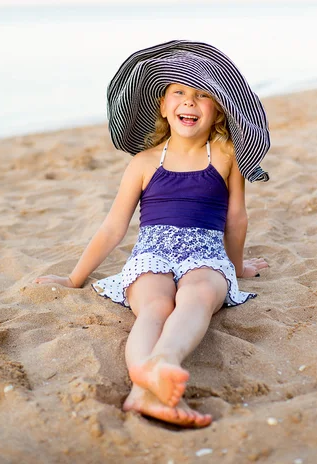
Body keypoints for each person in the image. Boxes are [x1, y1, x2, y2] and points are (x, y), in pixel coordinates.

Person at [34, 40, 270, 428]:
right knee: (155, 307)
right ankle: (149, 378)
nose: (189, 102)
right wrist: (74, 278)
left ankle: (154, 374)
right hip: (152, 253)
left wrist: (237, 265)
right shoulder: (144, 162)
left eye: (202, 95)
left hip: (205, 251)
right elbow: (114, 226)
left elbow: (236, 219)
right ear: (163, 105)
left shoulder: (227, 157)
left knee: (197, 297)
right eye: (179, 92)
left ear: (219, 111)